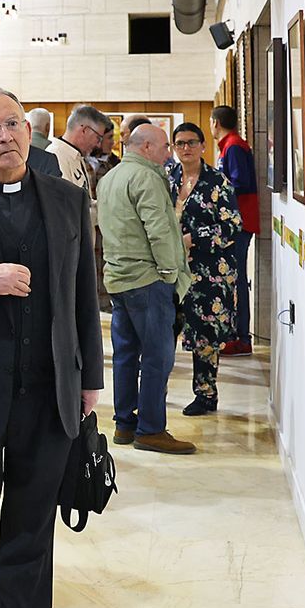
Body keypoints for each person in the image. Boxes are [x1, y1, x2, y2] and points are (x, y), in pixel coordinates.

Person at [0, 87, 102, 608]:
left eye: (13, 123)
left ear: (30, 130)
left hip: (48, 387)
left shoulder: (66, 198)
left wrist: (90, 378)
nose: (5, 136)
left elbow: (83, 291)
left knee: (33, 517)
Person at [96, 122, 196, 454]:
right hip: (147, 280)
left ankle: (125, 424)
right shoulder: (147, 178)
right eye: (166, 146)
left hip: (119, 279)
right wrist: (169, 273)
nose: (170, 153)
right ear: (147, 147)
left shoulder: (111, 178)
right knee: (157, 357)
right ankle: (151, 429)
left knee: (125, 354)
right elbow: (159, 229)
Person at [165, 122, 242, 416]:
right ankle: (157, 391)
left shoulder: (217, 181)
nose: (186, 148)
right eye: (180, 143)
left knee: (205, 335)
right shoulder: (167, 178)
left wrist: (193, 238)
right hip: (172, 269)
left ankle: (206, 394)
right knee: (165, 330)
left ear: (203, 146)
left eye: (191, 142)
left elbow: (232, 226)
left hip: (210, 271)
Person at [210, 106, 259, 356]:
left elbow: (240, 182)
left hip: (239, 222)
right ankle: (233, 334)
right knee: (232, 278)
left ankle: (242, 338)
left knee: (236, 280)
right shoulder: (228, 146)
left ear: (215, 123)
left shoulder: (234, 146)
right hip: (233, 222)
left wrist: (215, 188)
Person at [47, 103, 110, 193]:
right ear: (85, 130)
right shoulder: (56, 156)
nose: (98, 145)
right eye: (98, 138)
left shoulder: (76, 155)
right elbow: (62, 199)